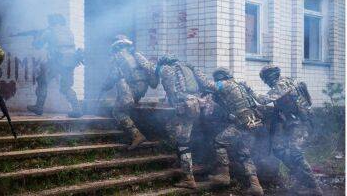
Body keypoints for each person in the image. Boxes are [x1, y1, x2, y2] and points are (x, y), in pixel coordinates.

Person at [245, 65, 323, 196]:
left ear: (270, 77)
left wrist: (248, 89)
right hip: (292, 123)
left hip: (301, 123)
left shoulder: (281, 85)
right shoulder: (288, 81)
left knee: (296, 154)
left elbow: (263, 100)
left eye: (265, 79)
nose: (266, 83)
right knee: (278, 149)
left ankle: (314, 188)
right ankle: (301, 178)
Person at [197, 67, 264, 196]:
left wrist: (195, 70)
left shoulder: (225, 84)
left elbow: (206, 84)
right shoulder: (238, 86)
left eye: (216, 79)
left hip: (242, 123)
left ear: (220, 77)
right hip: (254, 122)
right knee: (244, 153)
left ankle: (224, 175)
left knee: (219, 142)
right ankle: (256, 186)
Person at [155, 54, 207, 189]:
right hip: (194, 105)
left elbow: (171, 90)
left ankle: (188, 178)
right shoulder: (186, 67)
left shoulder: (167, 69)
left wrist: (172, 101)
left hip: (183, 107)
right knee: (184, 140)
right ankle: (182, 164)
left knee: (180, 141)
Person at [101, 35, 158, 150]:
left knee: (118, 111)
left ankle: (136, 135)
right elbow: (149, 69)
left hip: (132, 88)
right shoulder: (136, 54)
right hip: (143, 87)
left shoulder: (117, 57)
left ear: (117, 46)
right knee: (124, 103)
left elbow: (113, 76)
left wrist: (104, 86)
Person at [27, 14, 84, 118]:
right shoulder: (68, 31)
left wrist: (37, 36)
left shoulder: (50, 31)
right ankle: (77, 109)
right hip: (71, 61)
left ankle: (39, 107)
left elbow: (37, 45)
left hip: (57, 61)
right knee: (66, 86)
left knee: (42, 81)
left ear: (52, 21)